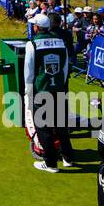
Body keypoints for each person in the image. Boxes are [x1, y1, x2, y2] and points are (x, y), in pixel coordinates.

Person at [23, 12, 75, 172]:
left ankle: (51, 163)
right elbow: (65, 68)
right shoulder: (60, 42)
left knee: (43, 127)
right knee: (61, 125)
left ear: (37, 27)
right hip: (59, 88)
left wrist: (28, 92)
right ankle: (68, 158)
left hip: (42, 89)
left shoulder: (32, 44)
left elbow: (29, 72)